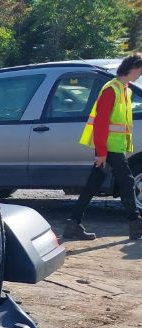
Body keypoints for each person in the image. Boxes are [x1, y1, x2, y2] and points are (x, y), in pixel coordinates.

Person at [64, 53, 142, 241]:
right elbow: (100, 123)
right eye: (140, 71)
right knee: (127, 181)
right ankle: (136, 225)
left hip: (112, 147)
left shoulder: (125, 90)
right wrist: (101, 152)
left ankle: (72, 224)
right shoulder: (111, 90)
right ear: (132, 68)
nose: (140, 75)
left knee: (93, 184)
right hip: (108, 148)